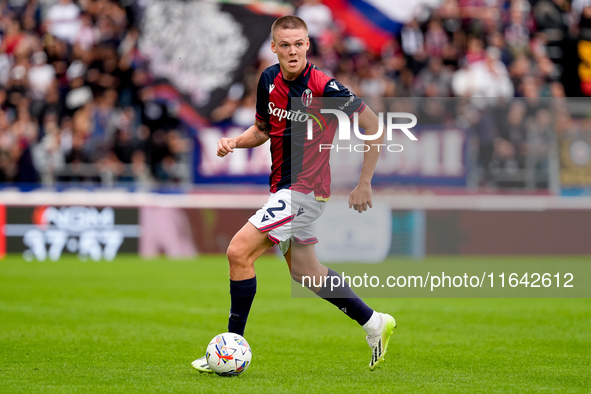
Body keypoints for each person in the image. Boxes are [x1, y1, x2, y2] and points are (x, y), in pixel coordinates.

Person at [191, 16, 396, 372]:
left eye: (298, 44)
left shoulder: (323, 86)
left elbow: (373, 125)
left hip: (304, 190)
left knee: (239, 253)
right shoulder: (268, 79)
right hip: (285, 189)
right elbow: (261, 129)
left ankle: (228, 350)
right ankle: (374, 322)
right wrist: (234, 143)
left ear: (307, 45)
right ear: (273, 47)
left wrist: (365, 182)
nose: (292, 51)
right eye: (284, 45)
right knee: (307, 273)